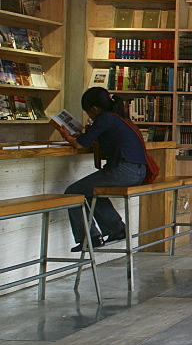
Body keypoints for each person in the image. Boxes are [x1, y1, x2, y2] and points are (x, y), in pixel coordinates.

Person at [53, 87, 146, 252]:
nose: (89, 117)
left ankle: (88, 238)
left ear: (94, 109)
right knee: (93, 191)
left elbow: (80, 144)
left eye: (88, 113)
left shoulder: (105, 118)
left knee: (73, 192)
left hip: (123, 170)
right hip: (138, 171)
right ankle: (116, 229)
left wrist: (66, 136)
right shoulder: (120, 118)